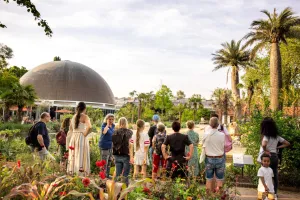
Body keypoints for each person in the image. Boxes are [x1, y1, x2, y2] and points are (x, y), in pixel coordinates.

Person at [258, 117, 290, 198]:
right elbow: (287, 143)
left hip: (266, 157)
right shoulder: (277, 137)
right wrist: (278, 148)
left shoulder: (266, 136)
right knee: (274, 175)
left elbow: (264, 144)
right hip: (275, 156)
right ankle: (274, 193)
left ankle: (264, 192)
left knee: (264, 174)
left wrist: (265, 150)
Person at [67, 102, 92, 175]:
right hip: (81, 137)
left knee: (74, 155)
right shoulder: (85, 116)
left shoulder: (73, 117)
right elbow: (90, 127)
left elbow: (71, 129)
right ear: (84, 108)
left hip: (74, 137)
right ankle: (81, 174)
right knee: (81, 155)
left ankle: (72, 173)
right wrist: (85, 134)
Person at [202, 117, 225, 193]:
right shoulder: (222, 135)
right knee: (220, 180)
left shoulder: (205, 134)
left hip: (209, 159)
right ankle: (219, 197)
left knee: (208, 179)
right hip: (220, 158)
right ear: (218, 124)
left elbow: (203, 145)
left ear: (210, 124)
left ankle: (208, 197)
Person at [112, 117, 133, 186]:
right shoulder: (130, 132)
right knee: (125, 175)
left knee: (117, 174)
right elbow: (130, 145)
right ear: (126, 123)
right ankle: (124, 192)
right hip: (126, 155)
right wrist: (131, 157)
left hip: (117, 155)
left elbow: (113, 144)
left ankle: (115, 190)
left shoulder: (114, 132)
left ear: (119, 123)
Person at [99, 113, 115, 178]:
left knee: (109, 161)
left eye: (112, 119)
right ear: (106, 119)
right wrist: (107, 125)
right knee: (104, 161)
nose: (111, 120)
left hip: (111, 145)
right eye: (109, 119)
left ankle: (107, 175)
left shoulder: (113, 126)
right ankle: (102, 175)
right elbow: (105, 132)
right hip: (104, 145)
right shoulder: (104, 125)